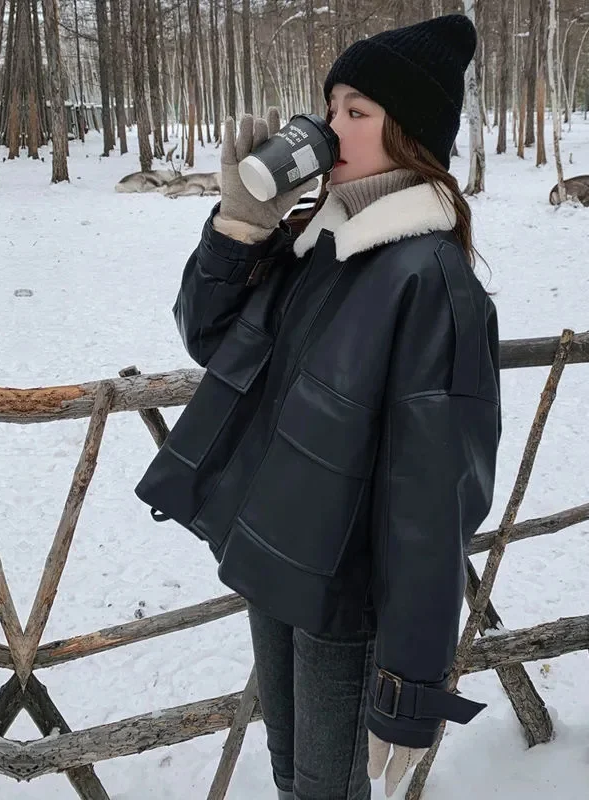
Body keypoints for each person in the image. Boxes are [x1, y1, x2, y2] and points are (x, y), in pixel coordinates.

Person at [135, 13, 501, 800]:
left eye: (356, 113)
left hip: (344, 599)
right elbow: (209, 338)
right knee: (291, 778)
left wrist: (407, 690)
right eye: (330, 107)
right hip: (273, 560)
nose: (330, 130)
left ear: (410, 137)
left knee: (325, 791)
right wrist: (241, 225)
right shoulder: (316, 243)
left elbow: (432, 504)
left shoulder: (429, 281)